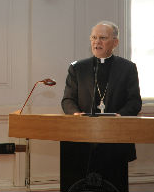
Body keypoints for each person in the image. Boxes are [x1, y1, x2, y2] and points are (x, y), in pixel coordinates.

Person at [60, 21, 142, 192]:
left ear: (115, 42)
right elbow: (67, 100)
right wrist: (76, 115)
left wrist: (119, 116)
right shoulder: (78, 68)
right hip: (82, 140)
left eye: (103, 38)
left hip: (115, 141)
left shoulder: (127, 68)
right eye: (94, 37)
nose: (97, 42)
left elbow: (134, 102)